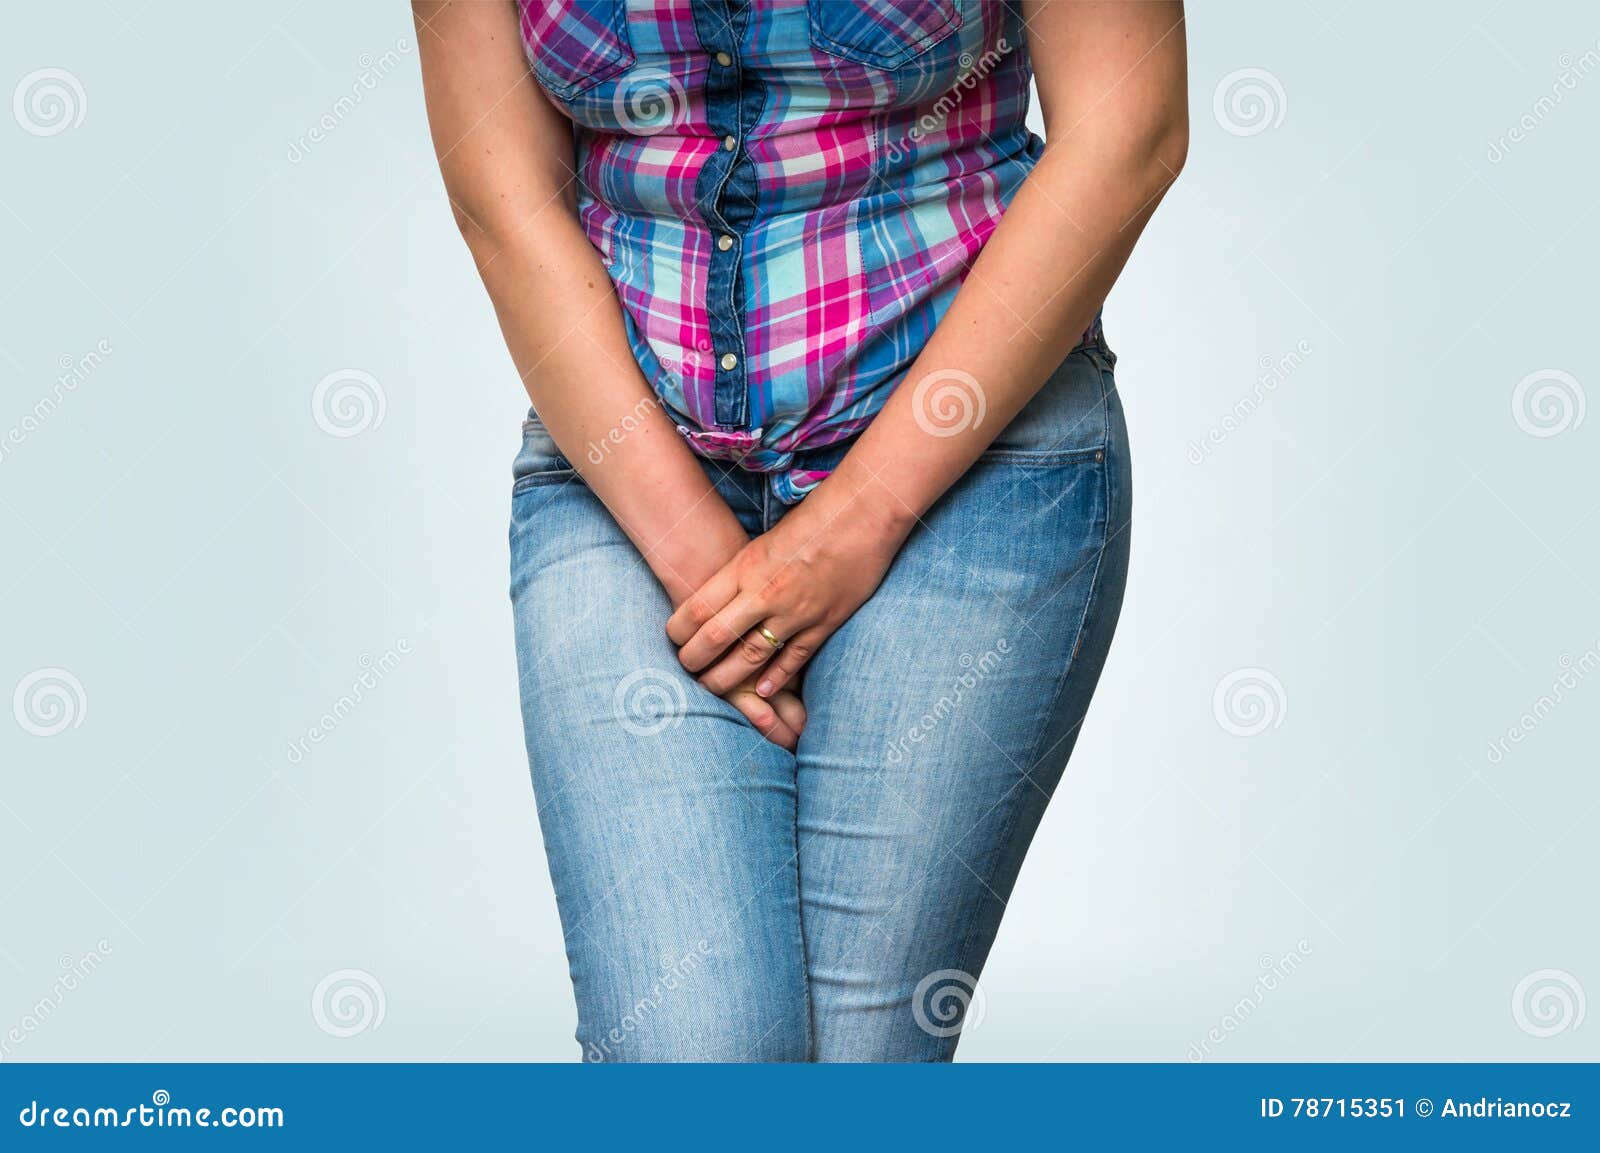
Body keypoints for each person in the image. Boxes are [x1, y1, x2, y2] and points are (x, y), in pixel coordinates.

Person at [415, 0, 1187, 1061]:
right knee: (690, 1053)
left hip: (973, 454)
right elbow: (505, 200)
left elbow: (1127, 130)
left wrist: (850, 528)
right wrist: (710, 569)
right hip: (628, 463)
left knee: (866, 1061)